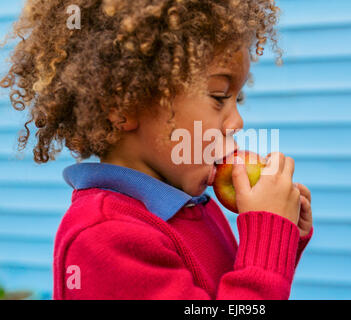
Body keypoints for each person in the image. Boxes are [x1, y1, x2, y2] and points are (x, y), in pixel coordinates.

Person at [1, 0, 313, 299]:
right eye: (219, 96)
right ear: (123, 104)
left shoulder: (193, 207)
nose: (237, 122)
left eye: (237, 100)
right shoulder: (106, 238)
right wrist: (267, 242)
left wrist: (279, 243)